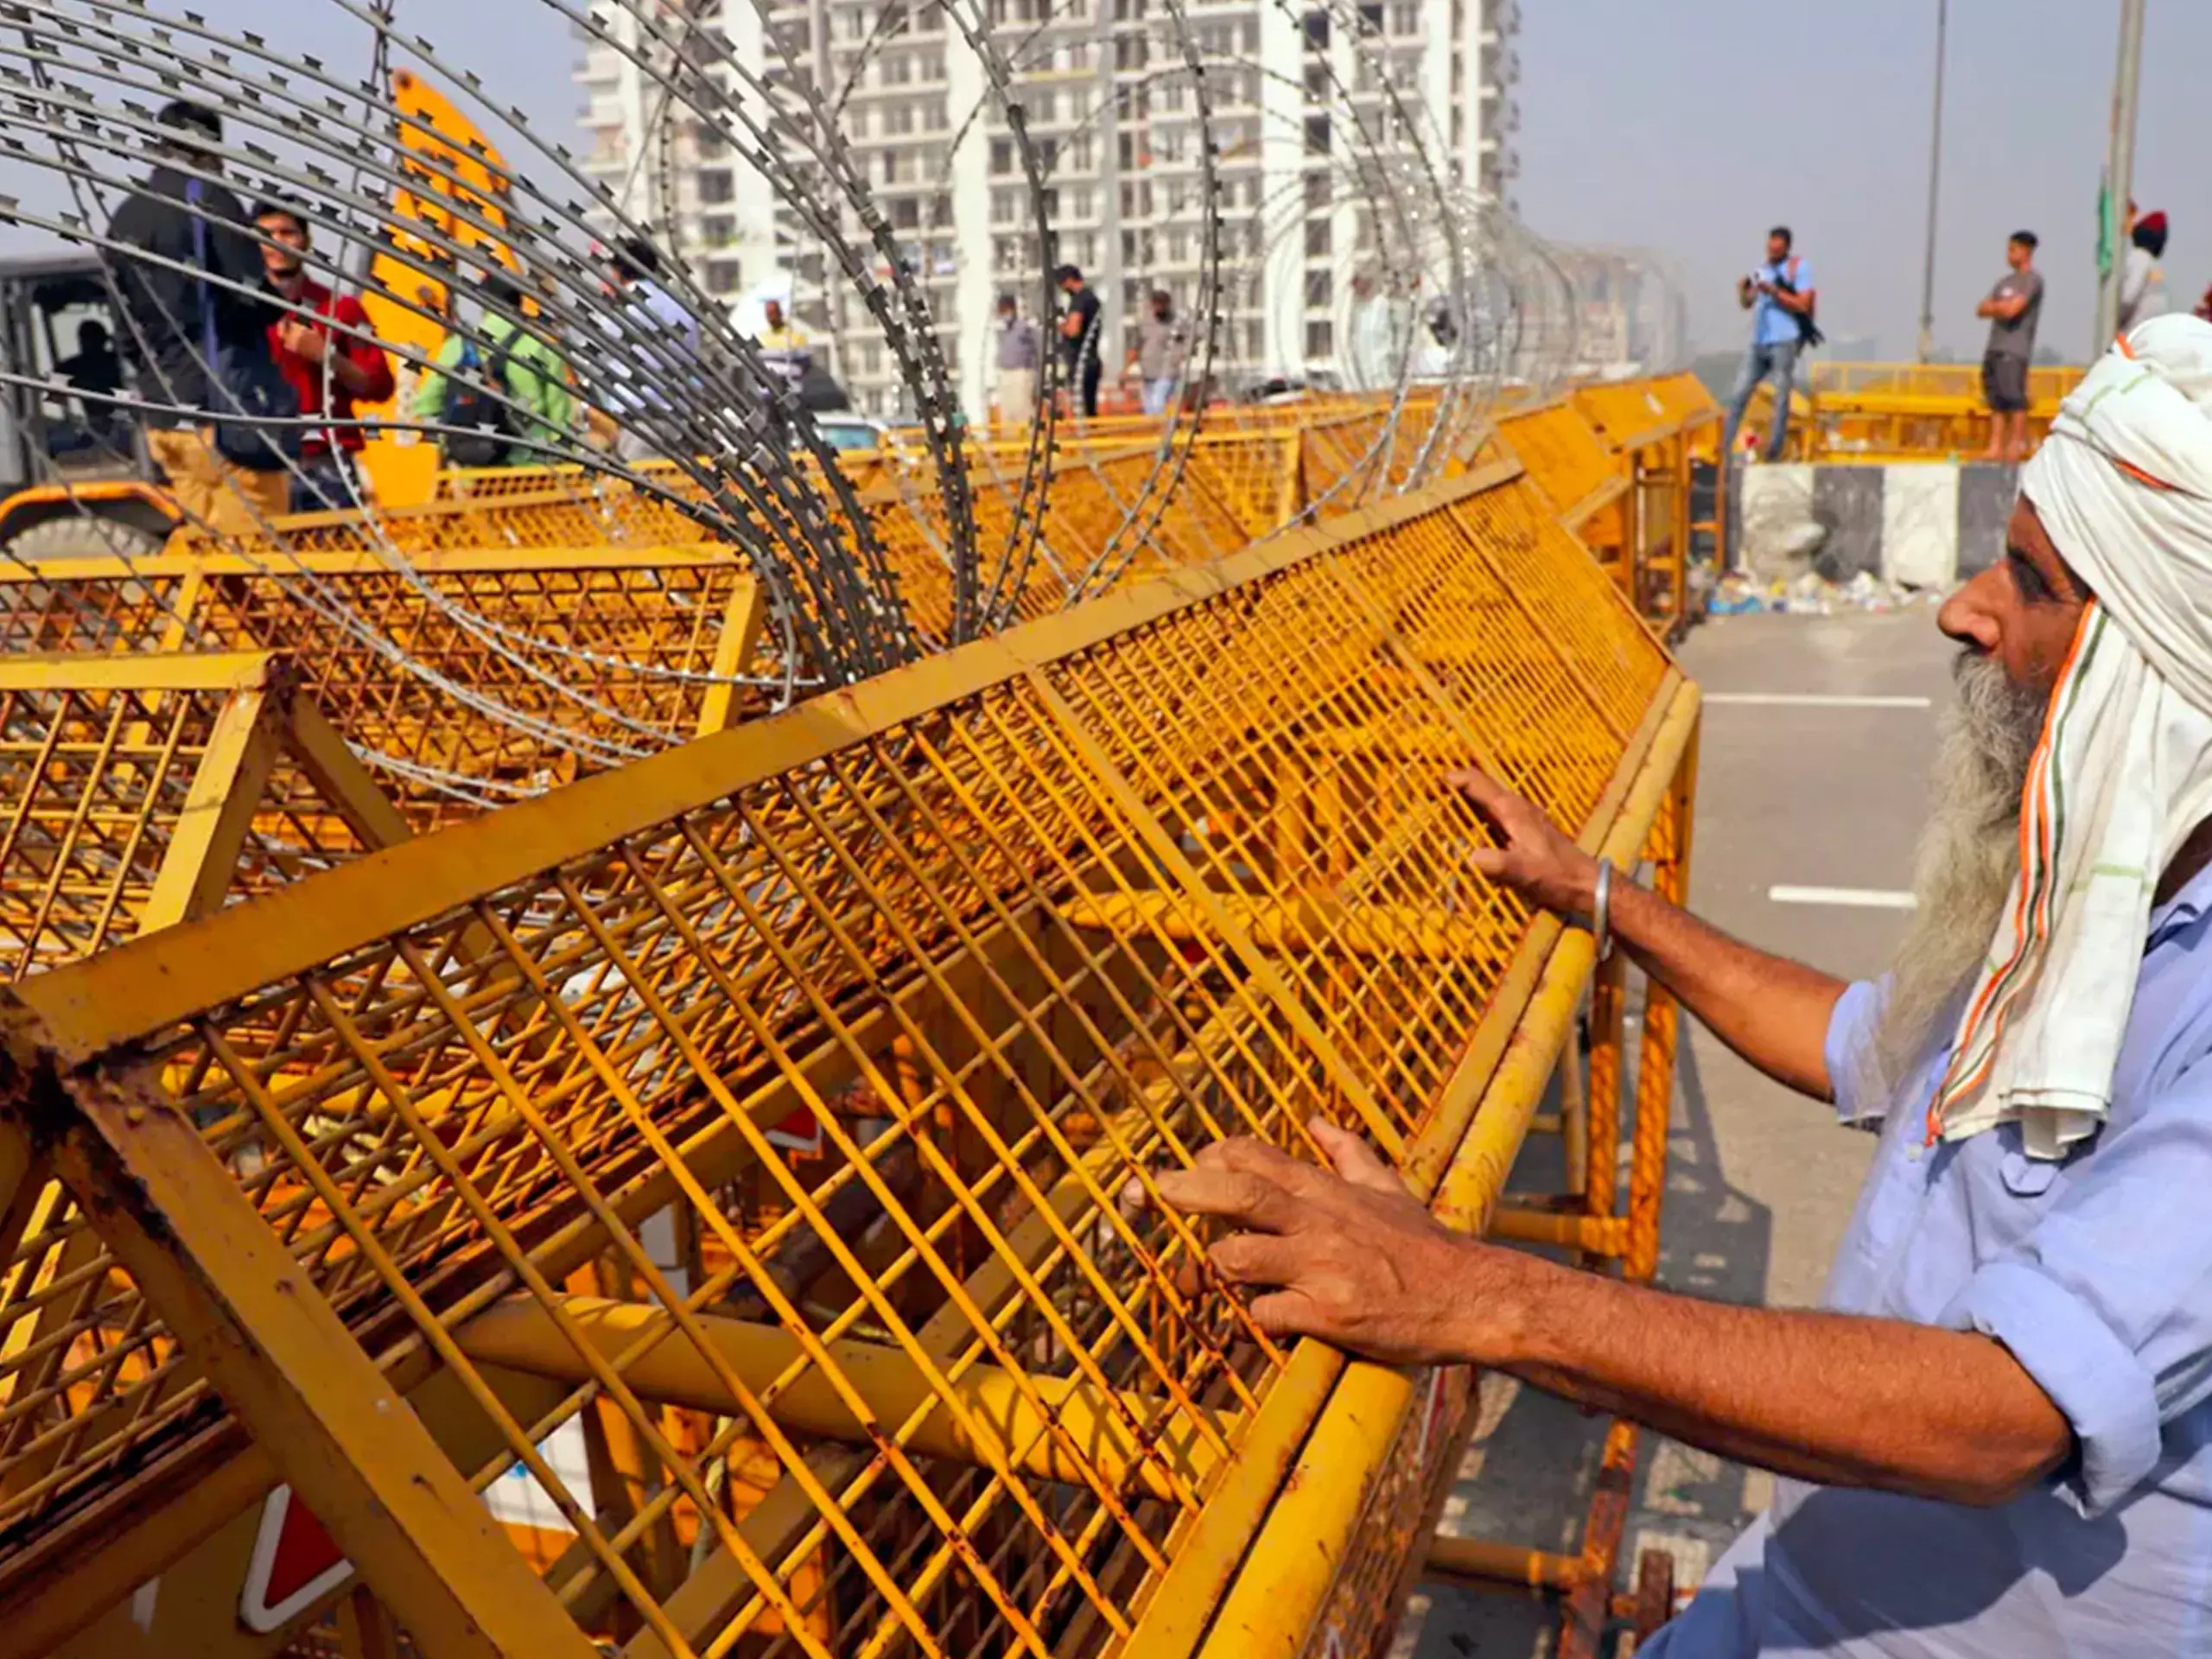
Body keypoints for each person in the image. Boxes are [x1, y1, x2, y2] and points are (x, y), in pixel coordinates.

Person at [1159, 313, 2212, 1657]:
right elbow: (1855, 1041)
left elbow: (2003, 1411)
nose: (1965, 608)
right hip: (1796, 1586)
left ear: (2168, 672)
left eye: (2031, 580)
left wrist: (1473, 1292)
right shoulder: (2100, 905)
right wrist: (1602, 899)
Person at [105, 99, 287, 537]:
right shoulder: (211, 200)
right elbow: (253, 294)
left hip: (166, 416)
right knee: (263, 558)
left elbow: (124, 327)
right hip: (224, 415)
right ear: (209, 149)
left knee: (207, 560)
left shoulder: (126, 215)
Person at [252, 200, 394, 512]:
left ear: (306, 240)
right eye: (266, 234)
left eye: (287, 232)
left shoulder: (341, 310)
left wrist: (326, 356)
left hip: (326, 467)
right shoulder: (238, 311)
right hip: (260, 467)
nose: (277, 243)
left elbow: (380, 386)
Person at [410, 271, 575, 466]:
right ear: (520, 303)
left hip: (473, 478)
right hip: (532, 475)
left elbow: (424, 406)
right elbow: (561, 420)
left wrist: (449, 448)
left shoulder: (456, 347)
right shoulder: (542, 347)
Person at [1719, 226, 1816, 463]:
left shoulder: (1798, 269)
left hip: (1784, 340)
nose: (1772, 252)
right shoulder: (1762, 269)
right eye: (1770, 248)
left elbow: (1803, 304)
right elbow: (1748, 303)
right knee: (1740, 392)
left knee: (1782, 395)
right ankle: (1723, 448)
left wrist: (1774, 291)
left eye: (1777, 249)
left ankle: (1774, 448)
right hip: (1759, 342)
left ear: (1786, 248)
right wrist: (1743, 290)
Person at [1975, 229, 2044, 463]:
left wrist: (1999, 307)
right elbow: (1981, 308)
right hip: (1995, 346)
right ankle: (1995, 447)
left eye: (2013, 249)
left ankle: (2016, 444)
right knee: (1995, 399)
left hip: (2014, 350)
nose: (2009, 254)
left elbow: (2014, 309)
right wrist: (2000, 307)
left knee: (2014, 398)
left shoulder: (2032, 281)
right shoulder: (2003, 283)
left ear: (2026, 252)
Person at [1124, 289, 1186, 417]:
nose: (1159, 307)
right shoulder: (1143, 322)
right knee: (1149, 408)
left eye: (1162, 303)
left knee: (1158, 402)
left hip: (1167, 371)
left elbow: (1186, 340)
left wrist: (1180, 355)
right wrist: (1126, 369)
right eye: (1156, 303)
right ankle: (1155, 434)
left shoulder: (1175, 322)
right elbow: (1135, 346)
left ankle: (1162, 432)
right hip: (1148, 371)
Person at [1055, 264, 1103, 419]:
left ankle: (1087, 441)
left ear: (1069, 280)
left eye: (1061, 284)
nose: (1062, 289)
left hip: (1080, 363)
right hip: (1091, 360)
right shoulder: (1092, 298)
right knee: (1089, 408)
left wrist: (1058, 326)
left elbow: (1074, 330)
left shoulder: (1079, 300)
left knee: (1081, 411)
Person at [2118, 203, 2170, 333]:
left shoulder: (2140, 257)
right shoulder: (2155, 267)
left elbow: (2127, 298)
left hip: (2133, 337)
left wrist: (2112, 321)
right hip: (2152, 337)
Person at [994, 293, 1042, 425]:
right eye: (1001, 311)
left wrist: (1038, 378)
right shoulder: (1004, 331)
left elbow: (1038, 349)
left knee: (1023, 410)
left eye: (1006, 310)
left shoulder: (1025, 328)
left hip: (1022, 373)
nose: (1004, 314)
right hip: (1005, 374)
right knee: (1008, 413)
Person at [755, 297, 813, 402]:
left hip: (792, 392)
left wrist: (790, 376)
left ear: (780, 313)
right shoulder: (762, 338)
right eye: (769, 314)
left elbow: (806, 365)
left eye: (773, 313)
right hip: (768, 393)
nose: (771, 317)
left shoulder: (795, 337)